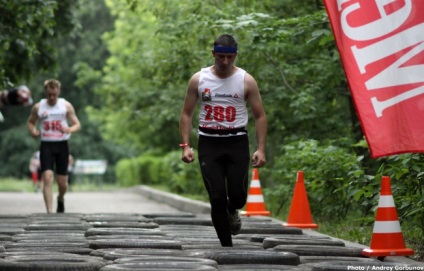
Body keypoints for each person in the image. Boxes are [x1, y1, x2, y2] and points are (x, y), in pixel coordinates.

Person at [179, 34, 267, 247]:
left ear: (235, 55)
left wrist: (261, 149)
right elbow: (186, 114)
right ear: (213, 54)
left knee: (237, 197)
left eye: (229, 57)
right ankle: (226, 246)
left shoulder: (246, 80)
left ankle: (232, 210)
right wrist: (186, 146)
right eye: (220, 57)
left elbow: (260, 116)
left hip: (237, 142)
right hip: (209, 144)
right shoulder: (199, 79)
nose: (225, 62)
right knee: (216, 197)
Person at [27, 79, 81, 213]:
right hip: (46, 145)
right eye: (49, 94)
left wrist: (69, 129)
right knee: (47, 177)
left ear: (59, 92)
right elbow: (30, 122)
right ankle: (50, 212)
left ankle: (61, 198)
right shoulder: (39, 107)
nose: (51, 97)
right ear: (46, 92)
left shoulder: (66, 106)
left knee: (62, 182)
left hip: (62, 145)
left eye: (54, 95)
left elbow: (77, 124)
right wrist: (33, 131)